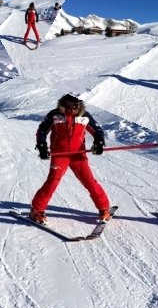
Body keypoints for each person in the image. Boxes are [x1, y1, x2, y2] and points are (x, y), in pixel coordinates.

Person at [30, 94, 111, 224]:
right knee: (53, 182)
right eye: (72, 103)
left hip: (78, 155)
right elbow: (42, 131)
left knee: (89, 181)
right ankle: (36, 210)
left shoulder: (84, 116)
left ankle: (104, 208)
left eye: (78, 103)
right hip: (60, 155)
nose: (75, 107)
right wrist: (42, 146)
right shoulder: (55, 115)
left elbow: (97, 131)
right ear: (65, 102)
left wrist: (99, 142)